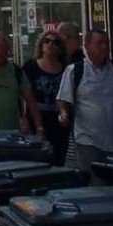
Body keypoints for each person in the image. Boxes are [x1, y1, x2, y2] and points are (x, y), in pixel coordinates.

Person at [57, 26, 113, 170]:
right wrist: (64, 113)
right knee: (92, 178)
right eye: (99, 43)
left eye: (106, 43)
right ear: (87, 46)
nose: (104, 47)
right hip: (88, 141)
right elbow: (63, 98)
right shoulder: (75, 71)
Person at [22, 31, 69, 164]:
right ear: (41, 45)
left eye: (55, 42)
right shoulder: (30, 67)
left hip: (58, 122)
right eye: (47, 41)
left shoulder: (67, 69)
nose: (51, 45)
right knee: (36, 159)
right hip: (35, 119)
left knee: (58, 159)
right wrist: (22, 118)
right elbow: (21, 94)